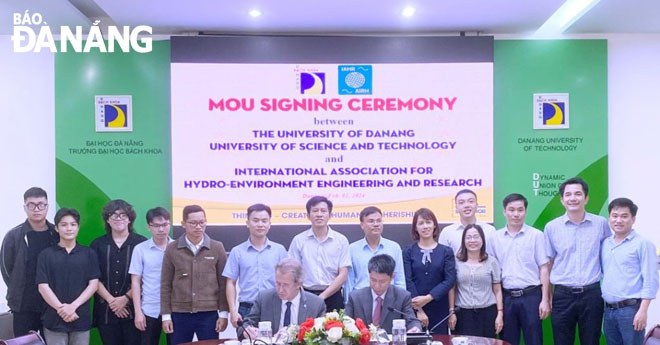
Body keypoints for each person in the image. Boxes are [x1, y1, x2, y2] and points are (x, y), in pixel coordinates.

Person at [544, 177, 611, 345]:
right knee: (561, 341)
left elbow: (609, 257)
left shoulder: (601, 224)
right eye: (568, 195)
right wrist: (547, 297)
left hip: (592, 295)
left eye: (578, 194)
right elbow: (549, 264)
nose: (573, 198)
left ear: (586, 198)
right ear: (562, 200)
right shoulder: (552, 227)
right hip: (562, 295)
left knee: (591, 341)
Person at [160, 205, 229, 344]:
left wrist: (223, 314)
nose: (198, 227)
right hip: (179, 314)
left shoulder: (217, 247)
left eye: (202, 222)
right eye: (193, 223)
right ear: (183, 224)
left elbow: (224, 284)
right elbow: (165, 284)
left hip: (209, 314)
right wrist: (166, 316)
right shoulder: (172, 249)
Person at [491, 194, 550, 345]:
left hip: (531, 296)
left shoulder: (536, 235)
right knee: (507, 341)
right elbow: (492, 273)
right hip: (506, 297)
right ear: (504, 212)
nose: (516, 214)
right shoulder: (495, 238)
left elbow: (544, 268)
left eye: (520, 210)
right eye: (511, 210)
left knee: (534, 340)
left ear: (525, 211)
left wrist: (545, 300)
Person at [36, 208, 101, 345]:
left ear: (78, 227)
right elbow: (43, 286)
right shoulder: (46, 255)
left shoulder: (89, 253)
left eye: (73, 224)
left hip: (80, 317)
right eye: (64, 225)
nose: (69, 228)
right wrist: (61, 309)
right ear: (57, 228)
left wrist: (73, 306)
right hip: (54, 319)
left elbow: (93, 284)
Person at [1, 187, 59, 337]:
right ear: (25, 207)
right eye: (31, 205)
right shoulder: (14, 236)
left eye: (41, 204)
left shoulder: (57, 234)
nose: (36, 209)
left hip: (52, 305)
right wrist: (16, 288)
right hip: (23, 305)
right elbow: (6, 270)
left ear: (47, 206)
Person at [601, 198, 659, 345]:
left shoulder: (643, 244)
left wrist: (643, 310)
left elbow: (651, 279)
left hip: (631, 311)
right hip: (608, 311)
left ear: (633, 219)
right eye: (614, 216)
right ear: (609, 218)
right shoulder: (605, 244)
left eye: (624, 216)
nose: (618, 220)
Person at [90, 200, 147, 345]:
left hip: (134, 311)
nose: (119, 218)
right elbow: (93, 277)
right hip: (106, 310)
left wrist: (125, 298)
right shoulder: (97, 244)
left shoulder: (141, 244)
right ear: (108, 220)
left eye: (123, 215)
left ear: (130, 219)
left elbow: (146, 277)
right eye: (114, 215)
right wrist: (112, 301)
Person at [223, 203, 287, 327]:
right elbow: (230, 282)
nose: (260, 224)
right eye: (255, 220)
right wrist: (233, 310)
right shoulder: (237, 251)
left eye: (264, 221)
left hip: (274, 306)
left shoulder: (279, 250)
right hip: (247, 309)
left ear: (269, 224)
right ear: (247, 223)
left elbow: (288, 281)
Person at [288, 196, 351, 312]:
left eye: (323, 211)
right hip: (305, 295)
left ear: (330, 215)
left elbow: (343, 274)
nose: (319, 214)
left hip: (333, 295)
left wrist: (322, 296)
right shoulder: (299, 240)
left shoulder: (341, 240)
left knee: (335, 329)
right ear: (308, 215)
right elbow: (293, 272)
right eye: (315, 211)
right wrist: (304, 296)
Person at [243, 258, 326, 339]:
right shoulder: (264, 299)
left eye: (285, 285)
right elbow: (245, 324)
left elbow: (321, 336)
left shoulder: (316, 304)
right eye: (278, 283)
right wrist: (247, 331)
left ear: (298, 284)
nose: (280, 289)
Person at [402, 208, 456, 334]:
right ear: (415, 228)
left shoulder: (446, 251)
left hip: (439, 306)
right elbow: (407, 280)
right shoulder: (408, 252)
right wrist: (419, 309)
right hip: (414, 308)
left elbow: (449, 280)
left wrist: (428, 297)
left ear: (434, 225)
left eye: (428, 222)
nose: (425, 226)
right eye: (421, 223)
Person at [448, 224, 503, 338]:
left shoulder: (492, 262)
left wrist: (500, 313)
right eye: (468, 237)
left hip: (487, 314)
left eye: (476, 237)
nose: (472, 240)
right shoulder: (455, 262)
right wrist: (451, 312)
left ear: (482, 240)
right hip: (463, 314)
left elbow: (497, 290)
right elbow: (452, 289)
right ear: (464, 241)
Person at [129, 207, 174, 345]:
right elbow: (135, 282)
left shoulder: (178, 247)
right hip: (149, 309)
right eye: (157, 226)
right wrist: (138, 312)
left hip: (175, 310)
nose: (161, 229)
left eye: (165, 224)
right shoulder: (140, 249)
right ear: (149, 227)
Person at [346, 254, 422, 333]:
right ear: (369, 275)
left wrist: (415, 328)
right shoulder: (355, 297)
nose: (377, 285)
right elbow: (346, 323)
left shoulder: (402, 296)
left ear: (392, 277)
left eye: (382, 281)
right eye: (373, 280)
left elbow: (412, 321)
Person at [346, 206, 405, 299]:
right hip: (361, 300)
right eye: (371, 221)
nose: (376, 224)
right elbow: (349, 281)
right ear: (362, 225)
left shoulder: (394, 247)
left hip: (389, 300)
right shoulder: (352, 249)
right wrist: (348, 303)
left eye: (379, 221)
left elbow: (399, 280)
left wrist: (401, 301)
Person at [438, 189, 496, 254]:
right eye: (461, 202)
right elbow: (442, 259)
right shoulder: (447, 232)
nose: (466, 205)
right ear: (456, 207)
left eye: (471, 201)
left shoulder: (490, 230)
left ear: (477, 205)